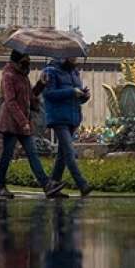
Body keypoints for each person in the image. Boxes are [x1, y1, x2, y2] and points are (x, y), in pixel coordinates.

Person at [0, 50, 64, 199]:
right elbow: (10, 101)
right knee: (7, 156)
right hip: (11, 123)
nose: (29, 60)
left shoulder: (23, 77)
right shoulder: (8, 76)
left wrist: (41, 84)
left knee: (33, 155)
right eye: (26, 58)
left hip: (24, 123)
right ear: (18, 60)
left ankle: (46, 186)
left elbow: (31, 97)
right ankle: (0, 187)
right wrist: (23, 122)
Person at [39, 56, 93, 196]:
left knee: (62, 155)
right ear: (64, 56)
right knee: (69, 152)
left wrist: (84, 96)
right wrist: (72, 91)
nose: (76, 59)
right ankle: (82, 184)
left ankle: (53, 184)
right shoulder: (51, 71)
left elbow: (76, 96)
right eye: (73, 56)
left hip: (73, 117)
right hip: (59, 118)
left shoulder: (74, 72)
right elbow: (48, 94)